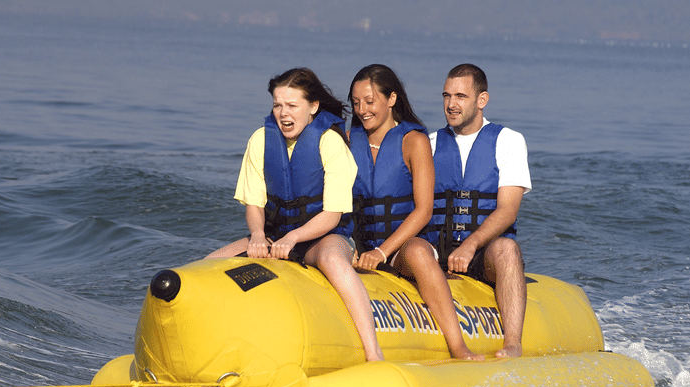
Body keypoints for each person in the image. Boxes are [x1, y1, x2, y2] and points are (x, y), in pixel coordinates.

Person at [206, 68, 384, 362]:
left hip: (324, 238)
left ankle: (373, 353)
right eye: (277, 105)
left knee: (332, 260)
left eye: (291, 105)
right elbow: (254, 204)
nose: (283, 113)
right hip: (275, 237)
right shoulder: (261, 140)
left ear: (313, 107)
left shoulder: (330, 142)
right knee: (207, 267)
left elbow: (332, 215)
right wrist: (259, 236)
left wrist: (294, 238)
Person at [348, 64, 483, 361]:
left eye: (369, 101)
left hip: (401, 248)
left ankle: (458, 346)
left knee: (420, 253)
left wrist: (382, 252)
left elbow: (423, 211)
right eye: (356, 103)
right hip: (360, 245)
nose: (362, 110)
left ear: (391, 99)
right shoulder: (348, 141)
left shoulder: (413, 142)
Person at [419, 63, 531, 358]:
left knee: (508, 249)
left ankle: (513, 343)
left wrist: (470, 245)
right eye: (446, 96)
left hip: (483, 254)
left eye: (460, 96)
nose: (451, 104)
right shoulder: (429, 143)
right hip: (437, 251)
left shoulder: (508, 141)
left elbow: (508, 211)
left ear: (482, 100)